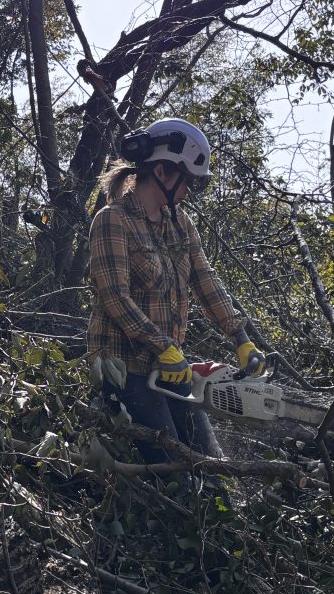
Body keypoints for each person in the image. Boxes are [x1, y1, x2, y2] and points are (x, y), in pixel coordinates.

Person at [87, 118, 266, 465]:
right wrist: (163, 346)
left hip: (169, 368)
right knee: (172, 465)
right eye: (188, 181)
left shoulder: (179, 223)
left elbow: (205, 279)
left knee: (209, 461)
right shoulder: (113, 220)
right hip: (124, 367)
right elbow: (115, 298)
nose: (189, 191)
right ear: (162, 172)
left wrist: (240, 336)